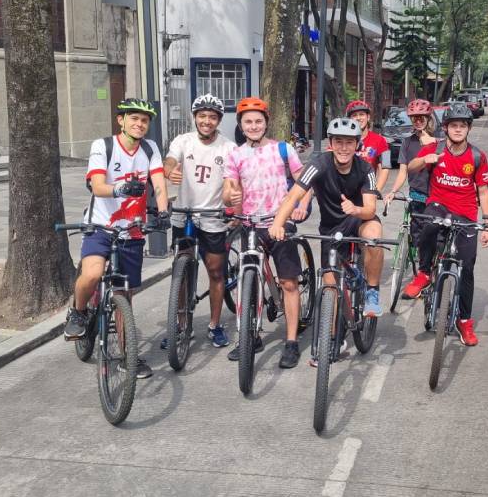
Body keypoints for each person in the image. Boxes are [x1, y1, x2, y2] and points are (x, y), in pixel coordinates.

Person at [63, 98, 170, 380]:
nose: (140, 124)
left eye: (145, 120)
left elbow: (158, 183)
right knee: (93, 273)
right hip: (101, 224)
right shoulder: (103, 146)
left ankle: (127, 356)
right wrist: (122, 188)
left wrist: (162, 211)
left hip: (132, 229)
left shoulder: (150, 149)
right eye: (134, 118)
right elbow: (97, 186)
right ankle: (78, 312)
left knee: (124, 295)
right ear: (120, 120)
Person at [270, 117, 384, 328]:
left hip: (358, 220)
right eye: (338, 141)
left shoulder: (365, 169)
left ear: (357, 144)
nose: (343, 147)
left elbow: (371, 209)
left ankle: (372, 292)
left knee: (374, 236)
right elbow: (293, 195)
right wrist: (278, 222)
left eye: (349, 142)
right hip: (330, 228)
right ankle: (331, 341)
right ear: (330, 143)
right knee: (330, 288)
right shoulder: (319, 164)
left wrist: (355, 209)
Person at [223, 97, 312, 368]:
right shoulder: (234, 155)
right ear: (240, 124)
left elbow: (305, 181)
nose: (253, 126)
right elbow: (228, 191)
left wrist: (302, 205)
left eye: (258, 121)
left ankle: (291, 342)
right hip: (249, 223)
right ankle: (249, 335)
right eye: (248, 121)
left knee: (288, 284)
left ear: (266, 123)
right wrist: (230, 197)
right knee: (247, 280)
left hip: (280, 221)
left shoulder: (283, 150)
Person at [402, 103, 488, 346]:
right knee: (429, 225)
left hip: (465, 213)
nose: (457, 129)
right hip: (438, 205)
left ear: (468, 129)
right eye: (453, 125)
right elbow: (411, 167)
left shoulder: (477, 156)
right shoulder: (435, 148)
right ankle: (423, 274)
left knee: (467, 269)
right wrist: (425, 160)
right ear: (446, 128)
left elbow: (483, 192)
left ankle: (464, 321)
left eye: (462, 126)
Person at [163, 94, 235, 349]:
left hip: (213, 216)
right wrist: (169, 169)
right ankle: (180, 324)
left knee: (216, 272)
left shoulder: (228, 147)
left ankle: (215, 325)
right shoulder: (183, 141)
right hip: (184, 213)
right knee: (180, 272)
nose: (207, 121)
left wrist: (232, 203)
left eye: (212, 117)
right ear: (195, 118)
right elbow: (170, 160)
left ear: (218, 120)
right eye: (202, 116)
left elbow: (232, 180)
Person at [383, 99, 438, 251]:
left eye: (422, 117)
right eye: (414, 118)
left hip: (436, 195)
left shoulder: (440, 141)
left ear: (428, 118)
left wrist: (431, 144)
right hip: (417, 194)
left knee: (436, 236)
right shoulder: (407, 142)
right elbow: (402, 172)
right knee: (417, 236)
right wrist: (393, 191)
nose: (418, 121)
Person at [346, 99, 391, 190]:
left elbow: (386, 166)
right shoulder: (342, 139)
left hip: (367, 190)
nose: (358, 118)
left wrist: (376, 190)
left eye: (361, 114)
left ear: (368, 117)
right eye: (354, 115)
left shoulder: (381, 140)